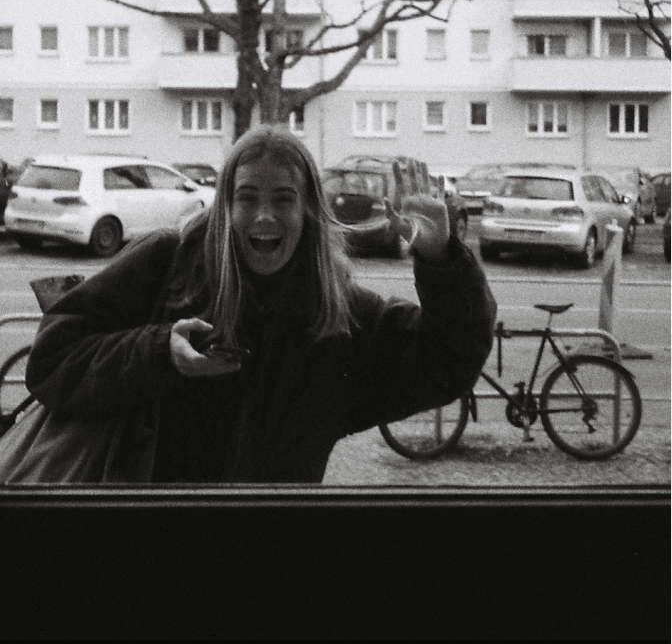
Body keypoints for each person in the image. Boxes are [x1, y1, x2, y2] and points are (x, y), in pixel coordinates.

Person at [23, 125, 496, 483]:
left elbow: (446, 363)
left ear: (308, 211)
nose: (264, 216)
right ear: (224, 206)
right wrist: (158, 352)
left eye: (283, 199)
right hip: (149, 552)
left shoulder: (339, 319)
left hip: (271, 565)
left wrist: (441, 259)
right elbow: (53, 359)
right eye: (247, 198)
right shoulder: (168, 265)